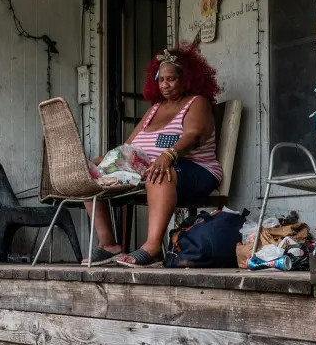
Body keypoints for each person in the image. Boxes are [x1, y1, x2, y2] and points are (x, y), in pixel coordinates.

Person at [86, 43, 223, 267]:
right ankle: (108, 244)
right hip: (151, 170)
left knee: (159, 173)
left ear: (186, 78)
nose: (165, 85)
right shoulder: (155, 109)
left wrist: (168, 155)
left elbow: (193, 136)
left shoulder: (197, 102)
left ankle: (153, 247)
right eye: (161, 80)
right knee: (90, 174)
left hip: (196, 170)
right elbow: (127, 148)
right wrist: (94, 163)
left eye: (171, 79)